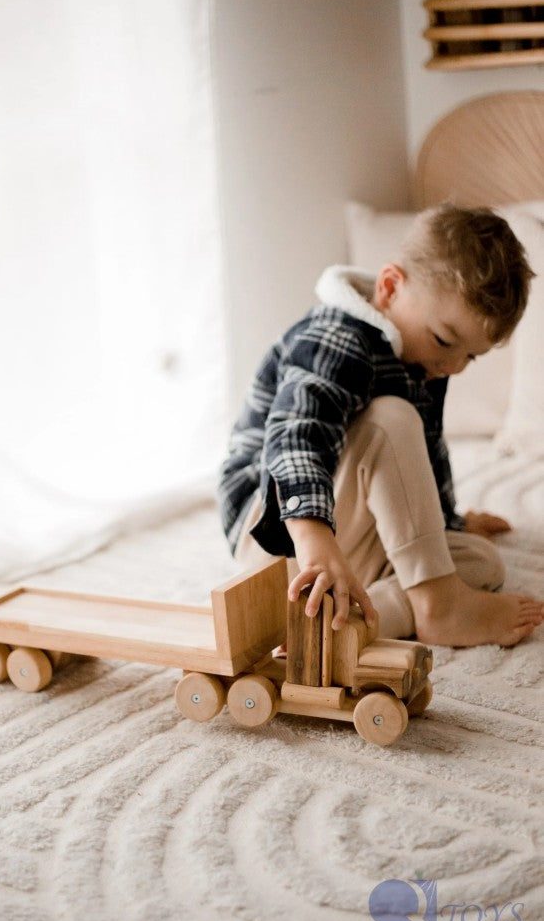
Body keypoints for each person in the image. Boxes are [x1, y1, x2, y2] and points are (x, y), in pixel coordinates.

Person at [218, 204, 544, 648]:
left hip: (344, 533)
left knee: (482, 563)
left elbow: (423, 458)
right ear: (389, 287)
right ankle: (436, 605)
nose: (452, 365)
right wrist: (315, 539)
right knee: (392, 417)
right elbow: (298, 436)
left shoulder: (427, 361)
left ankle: (342, 628)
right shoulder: (336, 336)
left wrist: (450, 521)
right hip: (279, 530)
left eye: (470, 356)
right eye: (445, 340)